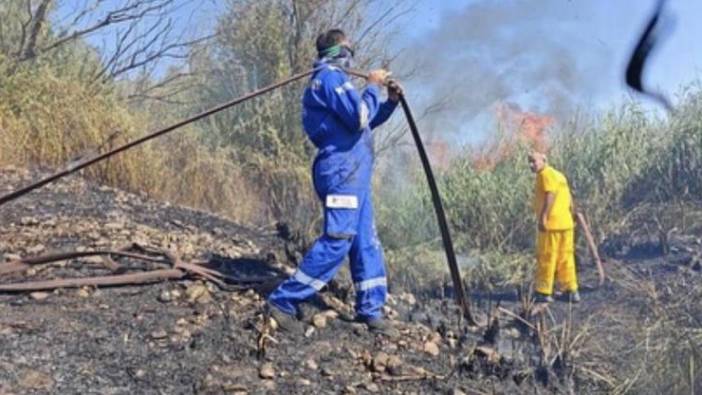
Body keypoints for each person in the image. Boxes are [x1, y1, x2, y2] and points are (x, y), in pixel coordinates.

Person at [266, 29, 403, 335]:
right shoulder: (329, 78)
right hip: (341, 173)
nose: (352, 55)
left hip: (356, 175)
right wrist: (372, 86)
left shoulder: (337, 81)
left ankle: (370, 309)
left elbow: (365, 121)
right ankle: (282, 300)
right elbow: (357, 117)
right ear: (339, 51)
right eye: (349, 49)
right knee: (339, 239)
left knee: (366, 240)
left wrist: (390, 102)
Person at [528, 151, 580, 304]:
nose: (531, 165)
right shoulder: (559, 175)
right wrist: (572, 213)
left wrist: (543, 217)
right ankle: (571, 290)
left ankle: (543, 292)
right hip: (565, 224)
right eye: (529, 162)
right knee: (566, 258)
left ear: (544, 159)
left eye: (533, 161)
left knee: (546, 256)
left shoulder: (545, 174)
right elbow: (569, 198)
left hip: (552, 225)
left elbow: (550, 194)